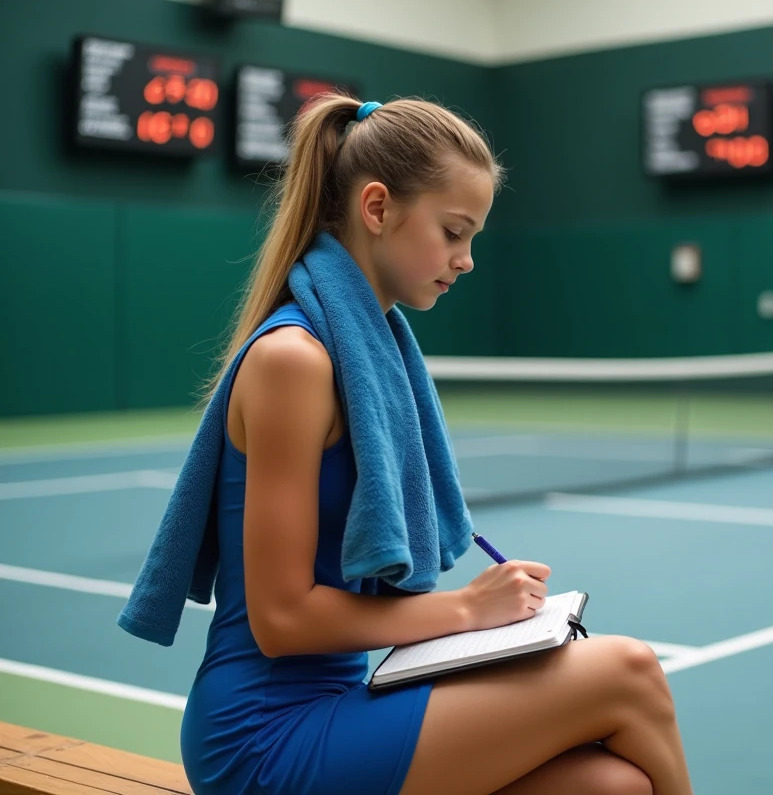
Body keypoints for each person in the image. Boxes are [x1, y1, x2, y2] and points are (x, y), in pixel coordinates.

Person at [177, 93, 695, 795]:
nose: (468, 259)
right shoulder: (294, 361)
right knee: (628, 670)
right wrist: (466, 611)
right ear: (378, 207)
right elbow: (281, 620)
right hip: (262, 738)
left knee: (612, 787)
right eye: (454, 232)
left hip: (340, 705)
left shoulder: (367, 353)